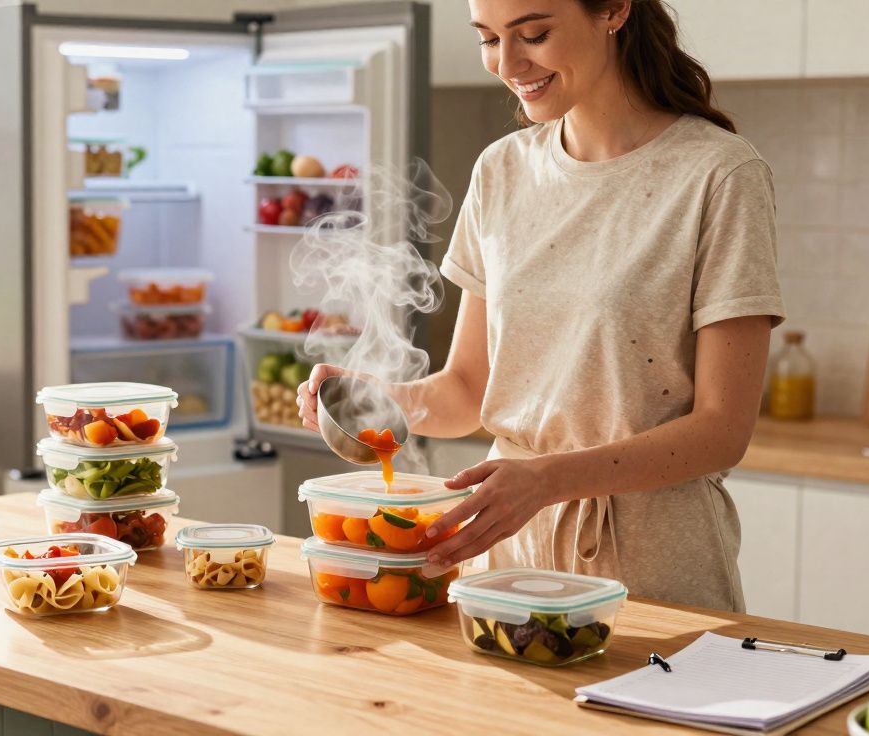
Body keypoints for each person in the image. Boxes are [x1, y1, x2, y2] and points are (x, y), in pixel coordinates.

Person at [296, 0, 784, 612]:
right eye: (489, 39)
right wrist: (380, 403)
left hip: (652, 562)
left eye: (533, 34)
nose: (507, 63)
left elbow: (722, 432)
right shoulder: (501, 169)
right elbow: (470, 390)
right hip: (506, 553)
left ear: (613, 11)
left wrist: (550, 480)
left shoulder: (719, 174)